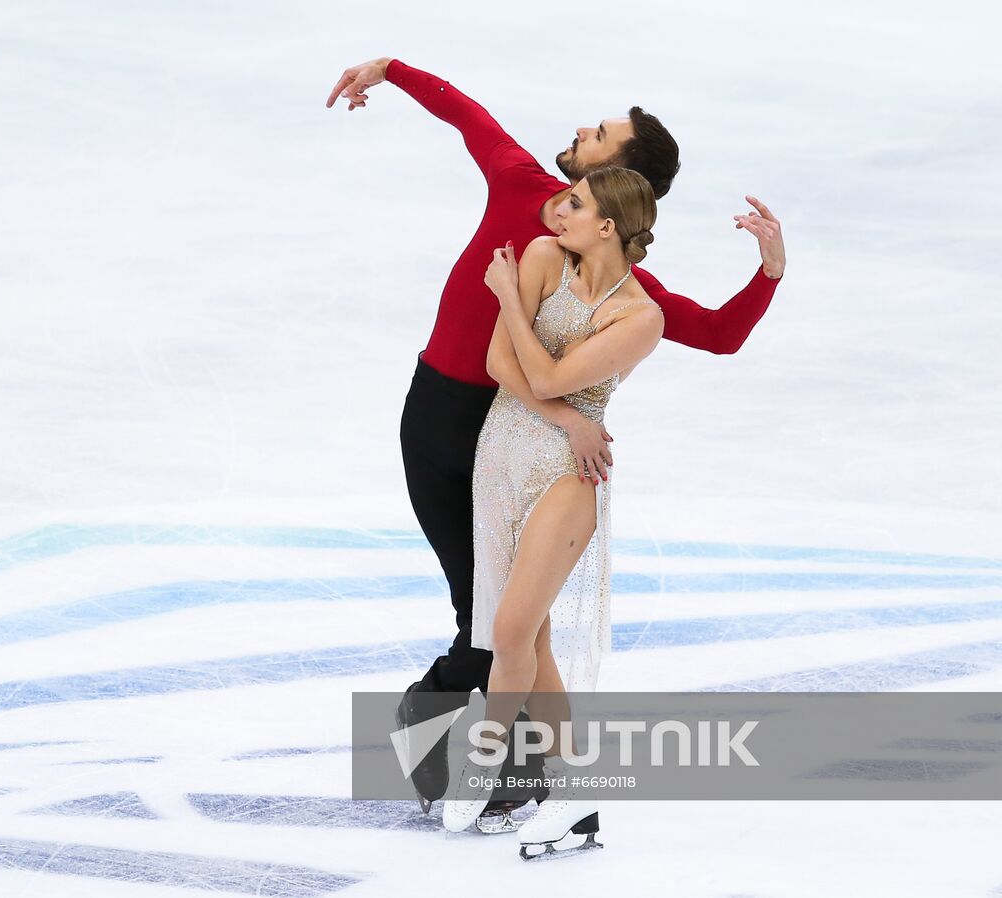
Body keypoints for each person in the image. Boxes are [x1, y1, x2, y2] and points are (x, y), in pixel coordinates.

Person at [324, 57, 786, 819]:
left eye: (600, 133)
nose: (580, 131)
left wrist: (768, 272)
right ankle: (480, 754)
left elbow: (713, 332)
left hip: (513, 438)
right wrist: (391, 69)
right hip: (440, 420)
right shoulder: (525, 191)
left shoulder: (616, 279)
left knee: (504, 619)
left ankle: (485, 758)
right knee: (492, 614)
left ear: (620, 176)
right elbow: (472, 118)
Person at [440, 168, 661, 852]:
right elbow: (501, 366)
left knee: (508, 633)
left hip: (570, 474)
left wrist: (508, 298)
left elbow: (545, 374)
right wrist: (570, 419)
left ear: (607, 228)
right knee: (529, 640)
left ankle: (479, 770)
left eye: (576, 203)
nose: (557, 209)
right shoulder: (543, 257)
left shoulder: (639, 318)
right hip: (501, 455)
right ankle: (574, 793)